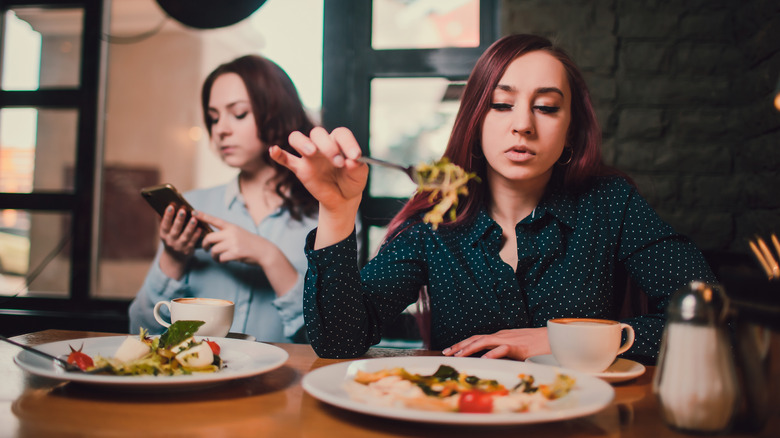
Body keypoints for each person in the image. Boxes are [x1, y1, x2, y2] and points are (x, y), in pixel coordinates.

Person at [270, 34, 716, 361]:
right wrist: (336, 211)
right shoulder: (435, 221)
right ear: (475, 120)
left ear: (571, 131)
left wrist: (568, 338)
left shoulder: (609, 204)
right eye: (501, 104)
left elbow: (712, 319)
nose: (522, 124)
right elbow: (338, 342)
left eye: (545, 107)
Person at [129, 54, 319, 343]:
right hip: (198, 382)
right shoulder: (194, 208)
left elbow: (333, 339)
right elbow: (141, 330)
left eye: (239, 113)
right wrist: (173, 257)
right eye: (214, 117)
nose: (221, 129)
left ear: (277, 111)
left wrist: (270, 257)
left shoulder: (326, 216)